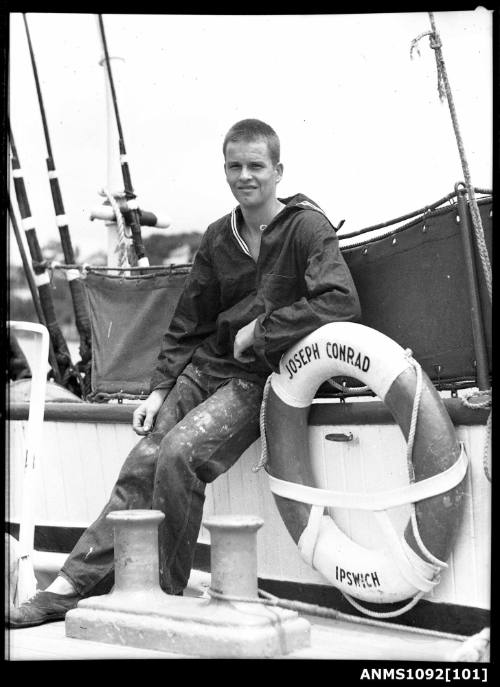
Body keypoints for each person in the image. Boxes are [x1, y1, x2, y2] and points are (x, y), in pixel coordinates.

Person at [8, 118, 361, 628]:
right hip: (203, 371)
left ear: (278, 170)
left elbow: (340, 300)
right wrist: (158, 391)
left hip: (258, 379)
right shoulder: (219, 236)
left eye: (256, 166)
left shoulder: (308, 228)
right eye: (235, 166)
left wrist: (262, 331)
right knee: (141, 464)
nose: (245, 176)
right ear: (225, 170)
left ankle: (164, 594)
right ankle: (68, 586)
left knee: (178, 454)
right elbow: (188, 322)